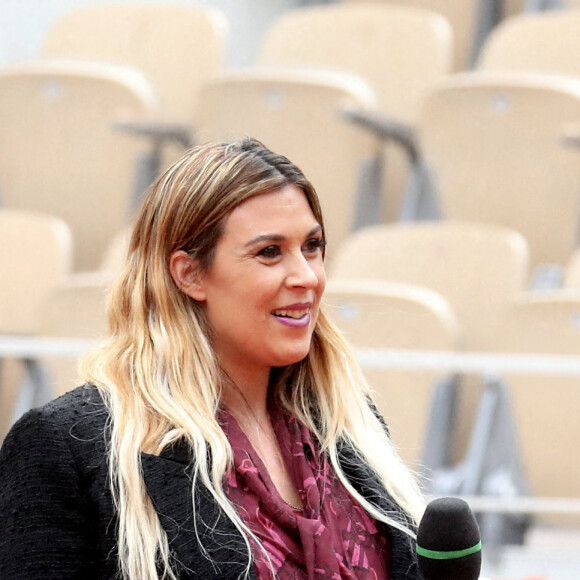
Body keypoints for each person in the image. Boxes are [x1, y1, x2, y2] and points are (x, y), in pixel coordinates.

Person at [0, 137, 425, 579]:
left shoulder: (350, 422)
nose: (306, 276)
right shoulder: (66, 445)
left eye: (312, 246)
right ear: (189, 274)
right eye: (269, 252)